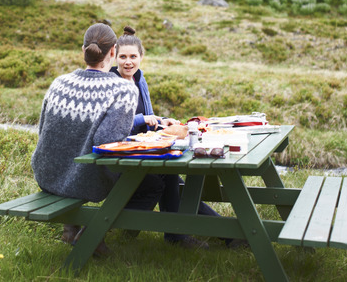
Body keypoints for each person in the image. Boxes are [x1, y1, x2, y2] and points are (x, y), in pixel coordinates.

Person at [31, 22, 165, 256]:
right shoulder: (122, 90)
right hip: (82, 180)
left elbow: (43, 130)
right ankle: (95, 230)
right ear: (113, 52)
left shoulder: (58, 83)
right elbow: (109, 146)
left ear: (83, 51)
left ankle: (71, 227)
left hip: (46, 173)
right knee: (153, 184)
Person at [111, 26, 217, 249]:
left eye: (133, 56)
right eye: (123, 57)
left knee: (175, 182)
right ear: (114, 57)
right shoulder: (111, 83)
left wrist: (162, 121)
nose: (128, 62)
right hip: (122, 155)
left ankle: (223, 234)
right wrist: (143, 120)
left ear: (141, 57)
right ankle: (182, 235)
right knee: (171, 179)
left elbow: (148, 117)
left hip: (147, 150)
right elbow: (114, 128)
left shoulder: (140, 79)